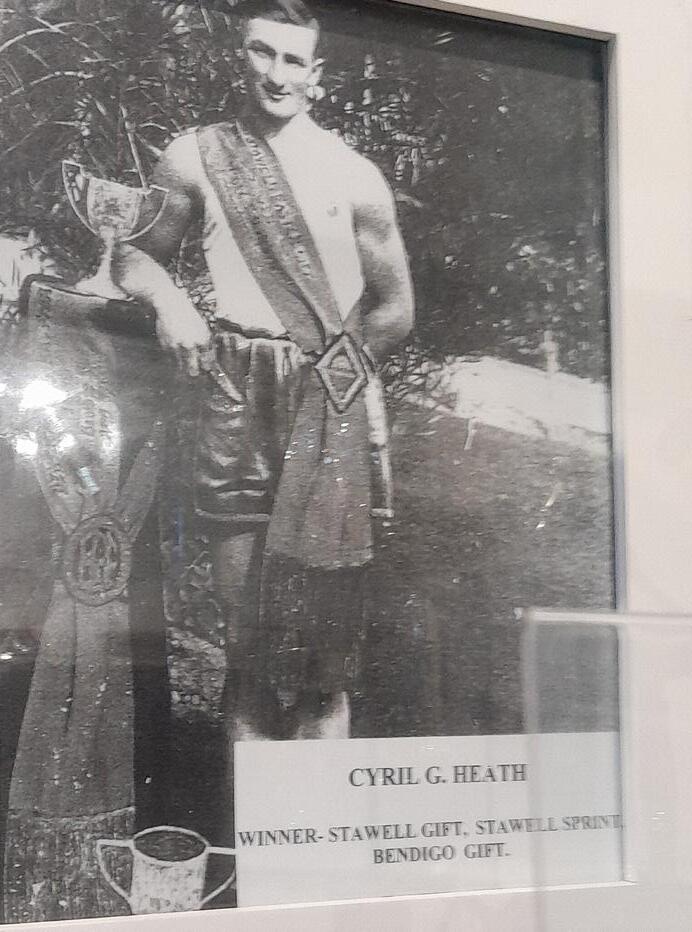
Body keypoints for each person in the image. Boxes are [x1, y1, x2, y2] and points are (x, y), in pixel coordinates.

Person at [115, 0, 414, 747]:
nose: (276, 74)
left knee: (323, 662)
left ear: (317, 74)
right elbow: (134, 253)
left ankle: (319, 819)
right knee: (245, 641)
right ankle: (258, 821)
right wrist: (172, 304)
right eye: (262, 53)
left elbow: (395, 309)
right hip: (235, 394)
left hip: (329, 403)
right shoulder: (196, 155)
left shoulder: (356, 176)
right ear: (239, 57)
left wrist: (333, 385)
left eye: (292, 60)